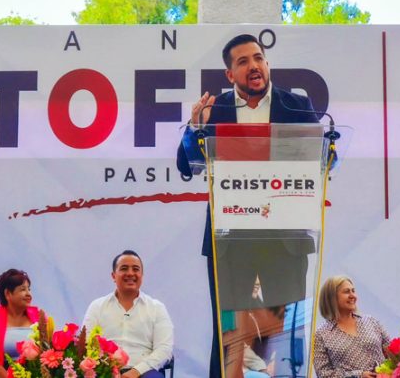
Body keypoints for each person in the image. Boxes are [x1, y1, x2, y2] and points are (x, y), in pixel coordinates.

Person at [176, 33, 321, 377]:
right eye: (243, 62)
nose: (254, 66)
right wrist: (196, 127)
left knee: (284, 336)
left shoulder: (296, 106)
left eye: (258, 58)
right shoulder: (217, 109)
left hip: (284, 240)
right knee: (230, 336)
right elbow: (187, 165)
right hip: (230, 241)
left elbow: (321, 159)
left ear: (267, 63)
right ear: (230, 74)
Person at [82, 250, 174, 378]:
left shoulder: (157, 308)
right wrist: (108, 369)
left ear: (142, 275)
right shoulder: (97, 306)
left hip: (144, 372)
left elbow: (164, 349)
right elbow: (86, 343)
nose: (130, 273)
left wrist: (136, 371)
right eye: (124, 268)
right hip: (104, 370)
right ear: (113, 276)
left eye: (135, 269)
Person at [313, 275, 389, 378]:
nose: (353, 295)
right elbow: (324, 374)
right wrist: (357, 375)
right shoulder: (321, 334)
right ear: (332, 297)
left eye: (353, 291)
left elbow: (392, 351)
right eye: (346, 292)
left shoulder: (370, 321)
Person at [0, 269, 42, 378]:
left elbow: (48, 350)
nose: (28, 294)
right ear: (8, 294)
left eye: (29, 289)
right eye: (23, 289)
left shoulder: (39, 316)